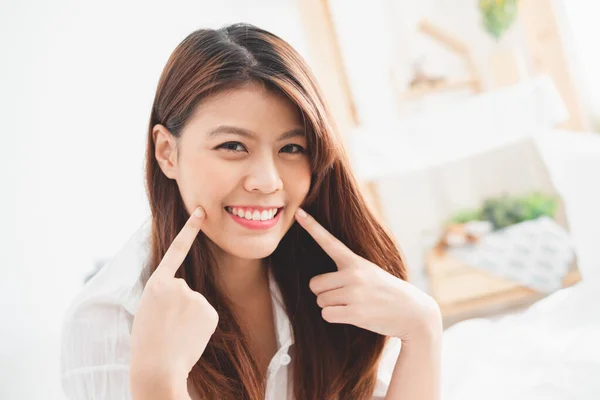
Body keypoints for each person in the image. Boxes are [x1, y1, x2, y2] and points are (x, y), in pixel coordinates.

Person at [60, 23, 442, 400]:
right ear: (167, 152)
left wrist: (423, 330)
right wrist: (159, 385)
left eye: (292, 148)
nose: (267, 181)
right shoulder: (109, 321)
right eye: (233, 146)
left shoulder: (339, 282)